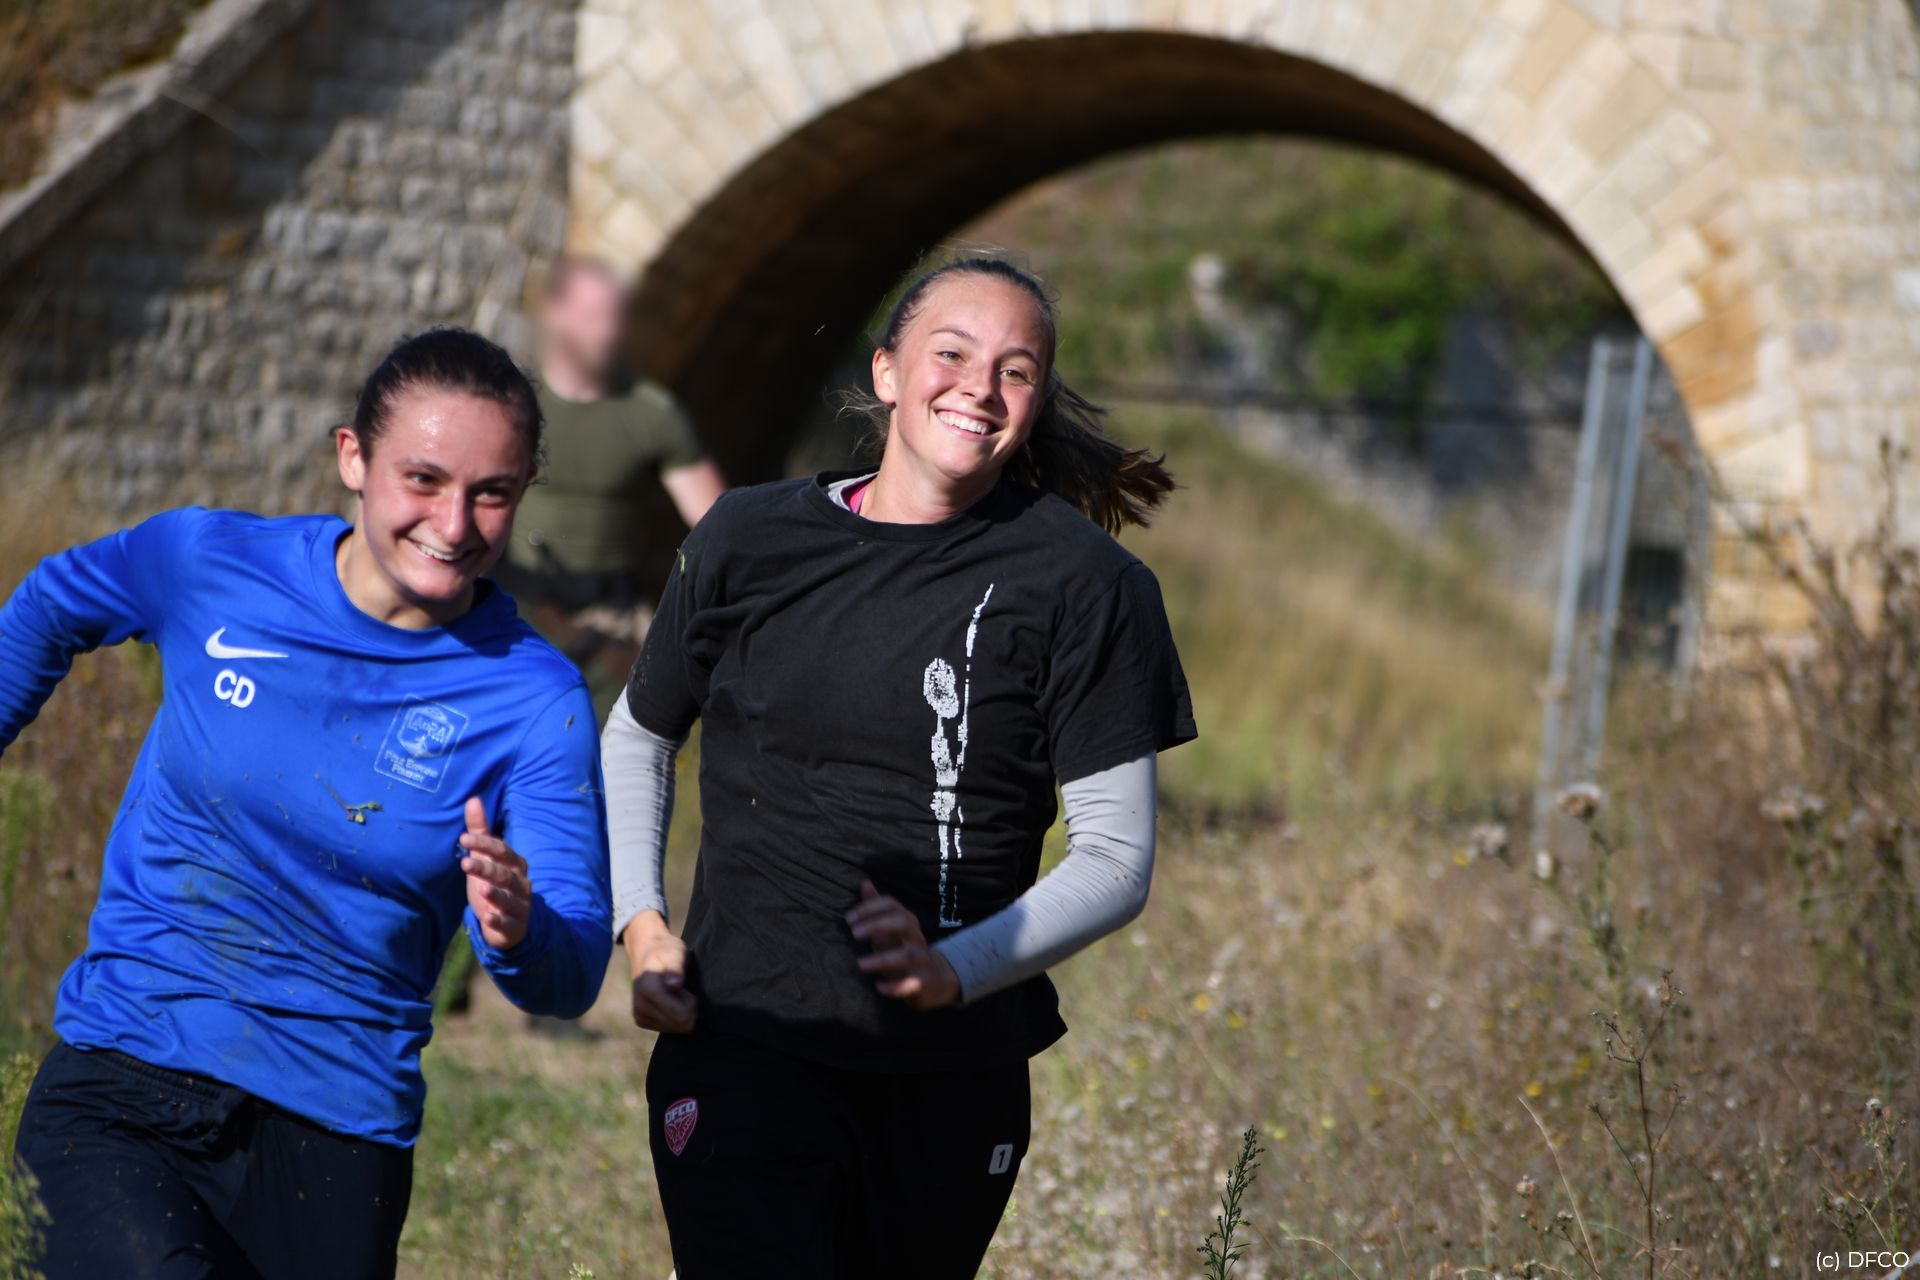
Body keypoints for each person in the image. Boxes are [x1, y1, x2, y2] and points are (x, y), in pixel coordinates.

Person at [603, 255, 1198, 1278]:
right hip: (745, 1034)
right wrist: (643, 925)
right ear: (885, 371)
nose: (981, 387)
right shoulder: (748, 536)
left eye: (1016, 370)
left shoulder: (1090, 587)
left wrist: (950, 969)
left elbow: (1115, 858)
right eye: (952, 354)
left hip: (951, 1077)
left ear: (1036, 403)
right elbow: (640, 734)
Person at [2, 328, 613, 1279]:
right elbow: (49, 604)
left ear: (525, 489)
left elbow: (570, 978)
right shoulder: (210, 564)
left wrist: (521, 928)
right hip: (128, 1075)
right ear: (352, 458)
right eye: (423, 479)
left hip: (336, 1134)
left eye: (491, 493)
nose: (454, 524)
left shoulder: (534, 702)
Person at [497, 254, 727, 715]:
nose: (608, 332)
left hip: (608, 630)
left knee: (602, 749)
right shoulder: (509, 401)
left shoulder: (651, 414)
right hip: (514, 616)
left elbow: (720, 525)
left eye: (615, 317)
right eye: (592, 316)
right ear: (555, 314)